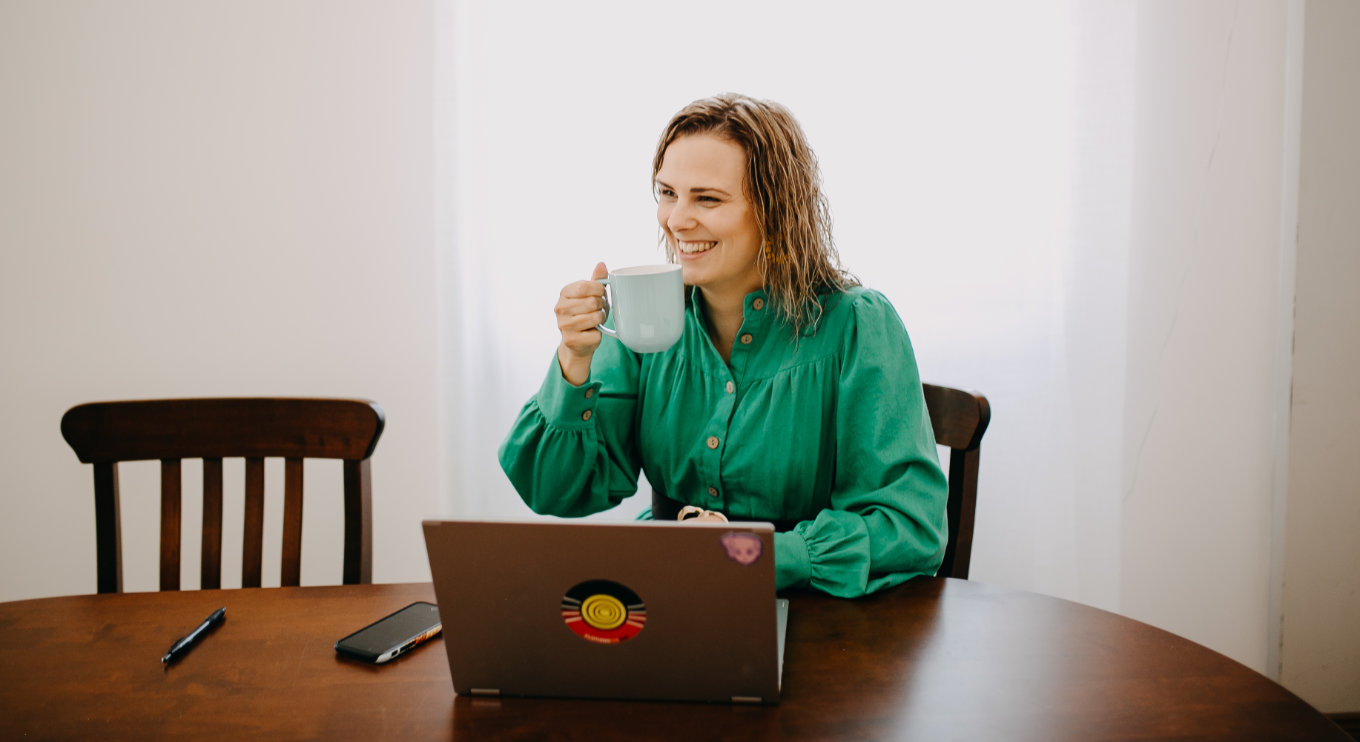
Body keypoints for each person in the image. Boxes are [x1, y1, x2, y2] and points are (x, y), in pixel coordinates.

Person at [498, 93, 947, 598]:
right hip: (671, 597)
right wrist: (573, 362)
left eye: (707, 199)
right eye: (667, 192)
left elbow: (911, 528)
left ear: (775, 211)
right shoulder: (644, 323)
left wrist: (752, 555)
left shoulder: (858, 326)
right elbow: (552, 491)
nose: (676, 219)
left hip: (815, 614)